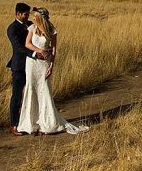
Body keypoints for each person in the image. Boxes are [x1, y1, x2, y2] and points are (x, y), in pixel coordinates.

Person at [17, 7, 89, 135]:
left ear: (41, 18)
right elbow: (27, 44)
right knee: (31, 88)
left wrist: (51, 66)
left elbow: (54, 50)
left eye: (35, 17)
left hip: (44, 64)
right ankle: (30, 123)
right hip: (32, 64)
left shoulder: (52, 30)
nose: (33, 18)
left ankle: (47, 123)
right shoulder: (32, 28)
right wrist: (40, 51)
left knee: (44, 89)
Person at [7, 2, 50, 136]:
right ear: (17, 14)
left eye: (28, 14)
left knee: (34, 93)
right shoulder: (12, 28)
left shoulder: (31, 24)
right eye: (25, 14)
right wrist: (34, 53)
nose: (27, 16)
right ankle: (14, 124)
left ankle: (33, 121)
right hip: (19, 66)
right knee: (17, 95)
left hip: (34, 66)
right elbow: (18, 47)